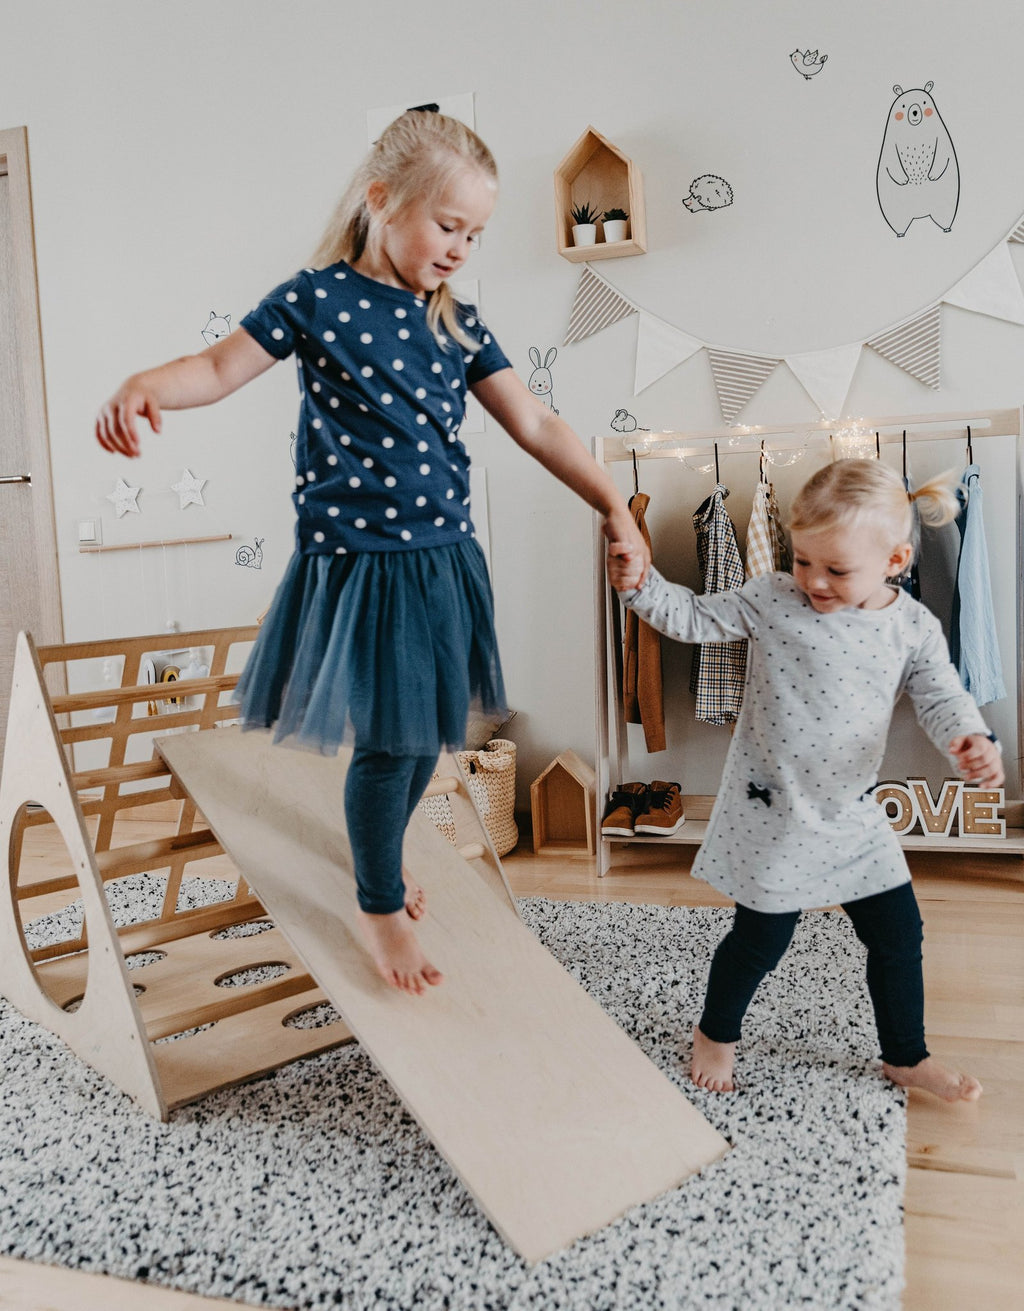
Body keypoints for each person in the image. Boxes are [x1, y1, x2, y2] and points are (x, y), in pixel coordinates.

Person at [96, 110, 648, 997]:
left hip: (442, 559)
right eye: (447, 225)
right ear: (381, 200)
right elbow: (214, 368)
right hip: (358, 560)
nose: (462, 247)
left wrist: (614, 505)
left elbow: (537, 422)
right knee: (395, 742)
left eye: (476, 233)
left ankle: (378, 866)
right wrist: (142, 386)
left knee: (422, 740)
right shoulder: (315, 299)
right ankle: (379, 900)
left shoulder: (456, 323)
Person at [606, 457, 1003, 1102]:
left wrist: (971, 738)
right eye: (803, 560)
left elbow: (940, 696)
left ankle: (905, 1054)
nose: (814, 581)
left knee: (899, 933)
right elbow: (693, 618)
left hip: (852, 811)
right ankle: (715, 1033)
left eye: (836, 569)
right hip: (775, 811)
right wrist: (640, 584)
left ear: (896, 561)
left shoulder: (911, 628)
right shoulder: (772, 599)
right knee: (761, 939)